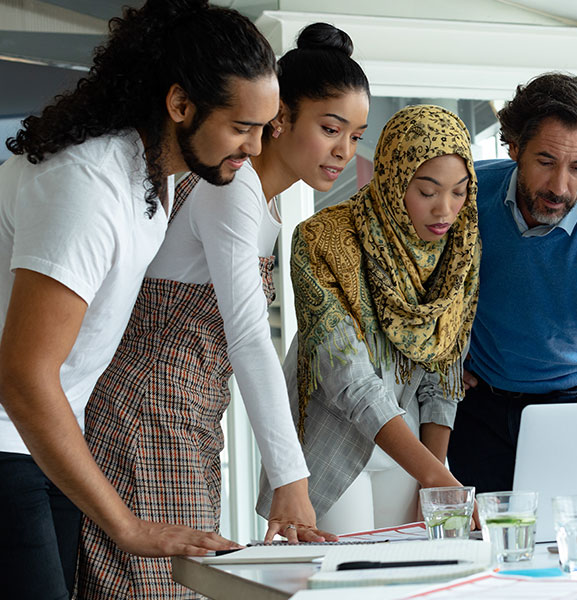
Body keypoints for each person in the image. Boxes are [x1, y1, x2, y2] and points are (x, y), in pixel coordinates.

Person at [74, 22, 370, 598]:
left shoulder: (258, 198)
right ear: (279, 117)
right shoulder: (230, 192)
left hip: (188, 422)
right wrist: (290, 477)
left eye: (356, 136)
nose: (344, 151)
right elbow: (250, 338)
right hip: (147, 416)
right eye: (330, 128)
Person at [0, 1, 278, 597]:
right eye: (241, 127)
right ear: (180, 104)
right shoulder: (85, 183)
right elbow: (24, 375)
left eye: (264, 128)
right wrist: (126, 525)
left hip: (47, 438)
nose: (255, 148)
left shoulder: (156, 170)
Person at [256, 104, 480, 532]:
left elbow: (442, 376)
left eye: (459, 191)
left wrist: (432, 482)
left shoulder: (459, 249)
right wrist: (439, 478)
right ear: (394, 181)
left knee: (414, 579)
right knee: (343, 580)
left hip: (410, 445)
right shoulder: (322, 239)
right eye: (428, 191)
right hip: (329, 436)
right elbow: (350, 380)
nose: (445, 211)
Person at [446, 72, 577, 494]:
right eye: (545, 162)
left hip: (571, 403)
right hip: (477, 404)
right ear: (514, 148)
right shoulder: (467, 193)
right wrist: (445, 353)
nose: (560, 187)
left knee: (567, 540)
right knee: (483, 543)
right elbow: (416, 274)